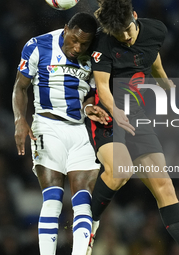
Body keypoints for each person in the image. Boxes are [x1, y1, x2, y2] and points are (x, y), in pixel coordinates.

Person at [85, 1, 179, 255]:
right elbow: (102, 87)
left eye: (128, 29)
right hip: (105, 113)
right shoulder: (103, 44)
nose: (126, 37)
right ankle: (87, 226)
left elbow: (152, 56)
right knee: (119, 172)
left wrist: (164, 81)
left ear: (135, 16)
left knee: (165, 185)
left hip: (135, 114)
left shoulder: (155, 30)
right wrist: (114, 111)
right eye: (119, 35)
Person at [12, 12, 109, 255]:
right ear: (66, 29)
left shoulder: (95, 55)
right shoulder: (37, 46)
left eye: (84, 44)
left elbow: (91, 92)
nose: (77, 47)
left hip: (81, 130)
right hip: (47, 126)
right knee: (53, 198)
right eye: (74, 40)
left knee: (83, 201)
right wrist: (19, 119)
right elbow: (20, 87)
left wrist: (89, 107)